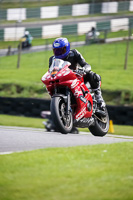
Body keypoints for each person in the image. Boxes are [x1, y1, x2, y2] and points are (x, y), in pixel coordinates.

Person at [49, 37, 105, 110]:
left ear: (67, 48)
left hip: (77, 77)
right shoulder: (52, 59)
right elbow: (51, 71)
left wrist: (84, 69)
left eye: (61, 50)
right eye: (56, 51)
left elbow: (86, 64)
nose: (59, 53)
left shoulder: (74, 53)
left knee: (92, 75)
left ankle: (99, 97)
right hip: (62, 79)